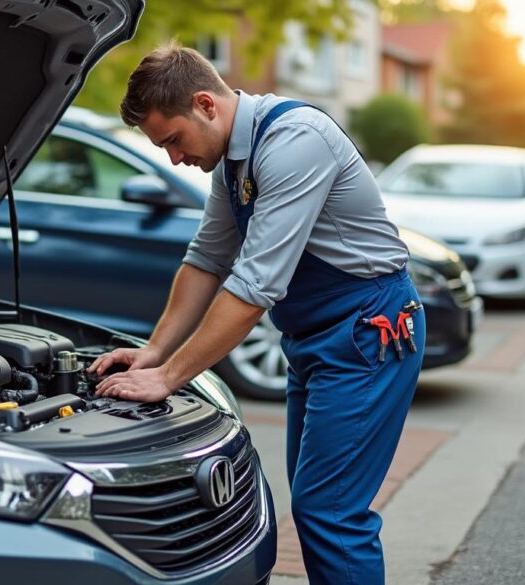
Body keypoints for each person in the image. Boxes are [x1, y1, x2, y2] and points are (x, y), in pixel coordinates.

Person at [86, 43, 425, 585]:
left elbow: (254, 286)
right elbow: (206, 258)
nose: (174, 159)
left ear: (205, 104)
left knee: (331, 511)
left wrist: (169, 378)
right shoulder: (232, 159)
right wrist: (153, 353)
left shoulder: (295, 141)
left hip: (367, 334)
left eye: (172, 140)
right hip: (313, 339)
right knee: (315, 501)